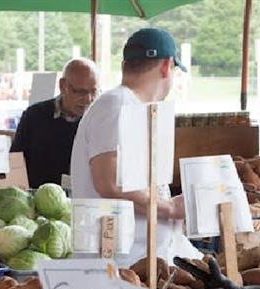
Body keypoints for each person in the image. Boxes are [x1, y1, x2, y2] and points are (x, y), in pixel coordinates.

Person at [69, 28, 200, 266]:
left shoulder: (132, 107)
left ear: (125, 65)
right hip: (120, 265)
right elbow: (110, 183)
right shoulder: (116, 105)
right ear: (166, 66)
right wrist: (169, 209)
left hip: (145, 259)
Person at [11, 58, 98, 188]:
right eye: (81, 92)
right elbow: (15, 161)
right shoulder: (34, 116)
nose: (88, 99)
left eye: (94, 92)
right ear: (63, 86)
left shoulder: (98, 120)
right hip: (38, 199)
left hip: (83, 200)